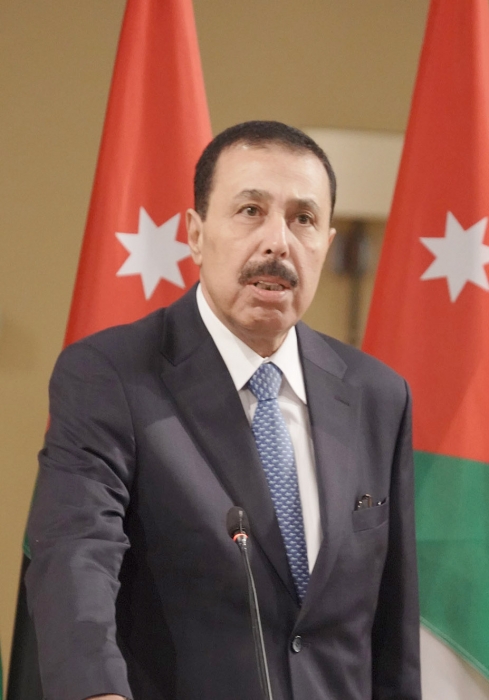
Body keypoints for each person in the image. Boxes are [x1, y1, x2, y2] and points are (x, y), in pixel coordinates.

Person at [26, 121, 421, 700]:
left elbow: (392, 628)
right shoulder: (111, 376)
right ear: (195, 233)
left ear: (327, 242)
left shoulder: (379, 395)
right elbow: (75, 556)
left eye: (303, 219)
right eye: (250, 211)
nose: (278, 242)